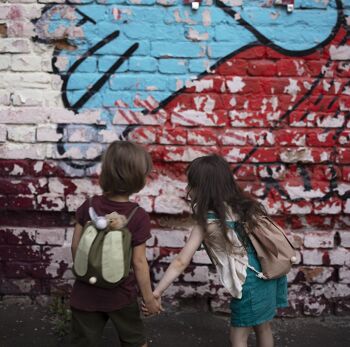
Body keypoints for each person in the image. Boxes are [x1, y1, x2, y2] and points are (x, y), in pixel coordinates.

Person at [149, 154, 288, 347]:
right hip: (269, 273)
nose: (188, 189)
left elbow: (181, 261)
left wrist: (157, 291)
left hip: (247, 283)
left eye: (192, 184)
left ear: (202, 188)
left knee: (238, 338)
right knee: (263, 327)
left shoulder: (207, 221)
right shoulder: (246, 207)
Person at [70, 140, 161, 347]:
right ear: (139, 178)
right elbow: (139, 263)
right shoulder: (138, 216)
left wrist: (90, 271)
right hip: (121, 294)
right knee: (134, 341)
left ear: (106, 173)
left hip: (85, 292)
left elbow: (76, 246)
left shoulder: (89, 206)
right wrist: (148, 299)